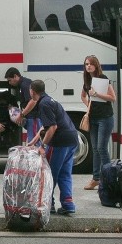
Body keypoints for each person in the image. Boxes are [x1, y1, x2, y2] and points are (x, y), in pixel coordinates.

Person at [29, 79, 78, 215]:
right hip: (72, 139)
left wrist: (43, 146)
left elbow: (52, 127)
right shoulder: (49, 100)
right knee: (65, 173)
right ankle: (68, 204)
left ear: (32, 91)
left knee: (49, 174)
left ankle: (48, 203)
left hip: (60, 142)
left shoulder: (43, 105)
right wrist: (33, 142)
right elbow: (45, 127)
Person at [80, 55, 117, 190]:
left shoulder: (102, 79)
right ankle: (96, 179)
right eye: (86, 64)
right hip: (93, 118)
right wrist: (89, 105)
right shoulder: (87, 81)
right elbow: (83, 96)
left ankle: (108, 178)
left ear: (96, 65)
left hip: (105, 118)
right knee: (95, 149)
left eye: (90, 64)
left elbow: (113, 98)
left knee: (101, 148)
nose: (88, 66)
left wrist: (96, 95)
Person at [5, 67, 41, 143]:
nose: (9, 83)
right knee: (32, 140)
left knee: (34, 142)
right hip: (31, 116)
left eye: (9, 80)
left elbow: (33, 101)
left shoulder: (25, 85)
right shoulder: (22, 84)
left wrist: (21, 115)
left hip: (34, 116)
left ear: (15, 76)